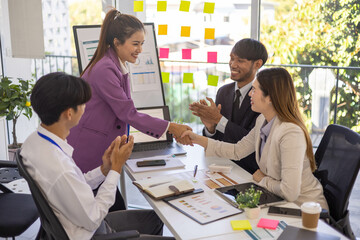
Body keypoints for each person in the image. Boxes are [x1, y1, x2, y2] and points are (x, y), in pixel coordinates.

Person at [21, 72, 174, 240]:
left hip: (74, 221)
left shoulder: (34, 142)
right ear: (69, 113)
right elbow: (94, 218)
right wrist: (116, 169)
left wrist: (104, 169)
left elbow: (74, 184)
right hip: (90, 232)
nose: (87, 107)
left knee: (156, 218)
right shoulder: (60, 167)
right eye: (83, 103)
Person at [67, 9, 192, 210]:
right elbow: (127, 113)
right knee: (104, 210)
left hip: (100, 147)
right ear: (117, 42)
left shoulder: (114, 65)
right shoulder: (105, 69)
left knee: (111, 207)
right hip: (90, 150)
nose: (140, 50)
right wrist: (171, 127)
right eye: (135, 44)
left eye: (142, 44)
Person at [183, 68, 328, 210]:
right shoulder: (262, 120)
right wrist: (196, 139)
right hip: (278, 202)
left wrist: (263, 179)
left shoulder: (291, 133)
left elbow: (290, 192)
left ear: (270, 97)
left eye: (254, 90)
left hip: (305, 210)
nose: (249, 95)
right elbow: (237, 150)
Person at [189, 38, 268, 174]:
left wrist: (219, 120)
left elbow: (251, 142)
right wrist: (210, 127)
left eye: (240, 61)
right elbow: (218, 140)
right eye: (231, 59)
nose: (233, 64)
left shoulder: (263, 97)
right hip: (220, 166)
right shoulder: (224, 92)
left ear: (257, 64)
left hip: (248, 170)